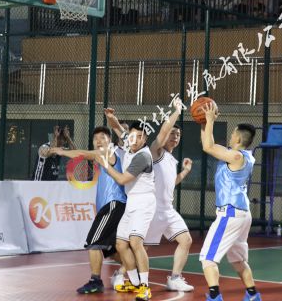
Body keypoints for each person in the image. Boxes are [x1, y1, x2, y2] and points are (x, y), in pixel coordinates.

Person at [198, 103, 262, 301]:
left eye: (233, 133)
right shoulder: (243, 156)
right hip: (242, 213)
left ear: (238, 139)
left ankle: (215, 296)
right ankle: (253, 295)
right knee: (238, 260)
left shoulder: (235, 156)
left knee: (208, 259)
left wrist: (210, 120)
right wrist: (204, 123)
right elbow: (208, 144)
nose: (231, 135)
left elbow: (208, 147)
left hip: (230, 213)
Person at [51, 126, 126, 294]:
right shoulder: (101, 157)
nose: (98, 141)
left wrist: (61, 151)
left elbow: (82, 154)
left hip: (113, 204)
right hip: (111, 206)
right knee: (110, 249)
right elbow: (84, 154)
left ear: (110, 141)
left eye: (102, 137)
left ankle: (95, 281)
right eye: (95, 138)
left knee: (93, 242)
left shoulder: (107, 152)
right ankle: (135, 266)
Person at [98, 117, 155, 301]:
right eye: (133, 136)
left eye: (141, 137)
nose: (136, 140)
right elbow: (117, 128)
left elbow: (122, 180)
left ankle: (145, 287)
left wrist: (105, 165)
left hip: (144, 202)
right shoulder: (130, 142)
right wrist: (111, 118)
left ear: (145, 139)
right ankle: (135, 283)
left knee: (136, 242)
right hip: (132, 202)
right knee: (121, 245)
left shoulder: (143, 156)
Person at [143, 97, 194, 292]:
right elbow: (162, 132)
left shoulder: (171, 159)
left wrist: (185, 172)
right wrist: (176, 112)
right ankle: (121, 273)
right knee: (143, 248)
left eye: (178, 134)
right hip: (153, 210)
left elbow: (171, 183)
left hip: (168, 210)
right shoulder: (155, 152)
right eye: (172, 133)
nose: (174, 136)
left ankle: (175, 278)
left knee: (186, 240)